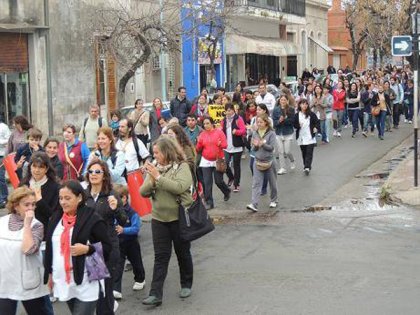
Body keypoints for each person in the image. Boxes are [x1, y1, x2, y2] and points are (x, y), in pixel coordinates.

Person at [44, 180, 112, 315]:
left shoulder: (92, 218)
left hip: (87, 281)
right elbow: (49, 249)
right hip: (64, 281)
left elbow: (108, 247)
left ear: (79, 197)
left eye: (67, 198)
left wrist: (88, 249)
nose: (63, 202)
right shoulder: (56, 218)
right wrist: (49, 274)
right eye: (61, 198)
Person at [140, 136, 194, 306]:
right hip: (158, 219)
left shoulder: (182, 166)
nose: (154, 156)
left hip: (178, 218)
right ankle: (155, 294)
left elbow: (179, 187)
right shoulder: (155, 167)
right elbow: (143, 192)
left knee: (182, 253)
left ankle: (186, 283)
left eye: (157, 152)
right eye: (153, 152)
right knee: (160, 257)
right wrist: (152, 178)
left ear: (166, 151)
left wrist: (158, 178)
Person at [0, 186, 52, 315]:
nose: (31, 208)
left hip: (29, 281)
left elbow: (29, 249)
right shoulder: (2, 222)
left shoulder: (37, 225)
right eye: (26, 204)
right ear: (16, 206)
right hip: (5, 281)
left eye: (33, 204)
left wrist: (27, 224)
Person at [84, 160, 127, 314]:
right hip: (91, 248)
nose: (93, 175)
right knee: (98, 287)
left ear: (104, 176)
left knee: (106, 288)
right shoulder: (84, 195)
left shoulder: (111, 194)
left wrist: (115, 209)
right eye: (91, 172)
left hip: (108, 246)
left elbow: (123, 220)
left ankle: (108, 308)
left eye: (98, 172)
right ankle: (108, 306)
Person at [112, 185, 146, 300]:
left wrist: (124, 230)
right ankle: (116, 288)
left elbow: (136, 228)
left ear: (125, 198)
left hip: (131, 242)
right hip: (118, 243)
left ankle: (140, 279)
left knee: (136, 262)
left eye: (118, 198)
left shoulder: (132, 213)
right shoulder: (113, 211)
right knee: (118, 265)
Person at [20, 152, 60, 236]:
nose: (37, 170)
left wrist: (39, 200)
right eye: (34, 166)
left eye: (41, 167)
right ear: (30, 167)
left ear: (46, 169)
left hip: (44, 232)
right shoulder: (24, 184)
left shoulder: (55, 187)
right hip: (23, 230)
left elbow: (53, 215)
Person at [196, 116, 231, 210]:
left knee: (218, 181)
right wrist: (199, 142)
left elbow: (225, 145)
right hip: (206, 160)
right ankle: (209, 203)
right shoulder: (202, 134)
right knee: (207, 183)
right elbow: (198, 149)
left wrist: (220, 144)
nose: (206, 125)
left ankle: (226, 191)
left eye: (207, 123)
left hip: (218, 159)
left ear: (212, 123)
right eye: (204, 124)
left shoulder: (219, 132)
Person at [246, 114, 278, 212]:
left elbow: (272, 148)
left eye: (261, 122)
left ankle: (274, 200)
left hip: (269, 161)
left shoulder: (271, 133)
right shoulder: (255, 133)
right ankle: (254, 204)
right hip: (258, 161)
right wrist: (255, 146)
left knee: (272, 183)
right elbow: (253, 149)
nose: (258, 124)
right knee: (256, 183)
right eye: (257, 122)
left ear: (266, 122)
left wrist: (263, 144)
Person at [220, 103, 246, 193]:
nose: (228, 112)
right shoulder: (223, 120)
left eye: (230, 110)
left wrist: (237, 132)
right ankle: (231, 178)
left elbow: (243, 130)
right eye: (227, 110)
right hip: (227, 147)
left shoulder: (238, 119)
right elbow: (221, 132)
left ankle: (236, 184)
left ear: (233, 110)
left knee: (236, 165)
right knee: (225, 164)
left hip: (237, 146)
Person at [294, 98, 320, 175]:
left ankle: (307, 167)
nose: (304, 105)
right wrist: (298, 125)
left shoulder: (311, 114)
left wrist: (315, 127)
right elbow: (294, 125)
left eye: (306, 104)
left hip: (310, 137)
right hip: (301, 137)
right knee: (304, 152)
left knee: (309, 152)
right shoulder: (296, 115)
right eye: (302, 104)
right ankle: (305, 165)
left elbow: (317, 122)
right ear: (299, 105)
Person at [273, 95, 296, 175]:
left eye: (284, 100)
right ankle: (282, 168)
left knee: (287, 151)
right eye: (281, 100)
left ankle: (292, 160)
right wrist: (279, 121)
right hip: (279, 133)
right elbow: (274, 122)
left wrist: (284, 120)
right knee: (281, 152)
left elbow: (292, 121)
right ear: (279, 101)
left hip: (288, 132)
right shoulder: (275, 110)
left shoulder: (291, 109)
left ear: (287, 101)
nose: (283, 101)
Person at [0, 117, 11, 208]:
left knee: (1, 177)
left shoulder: (4, 126)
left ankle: (4, 197)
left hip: (2, 155)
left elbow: (9, 139)